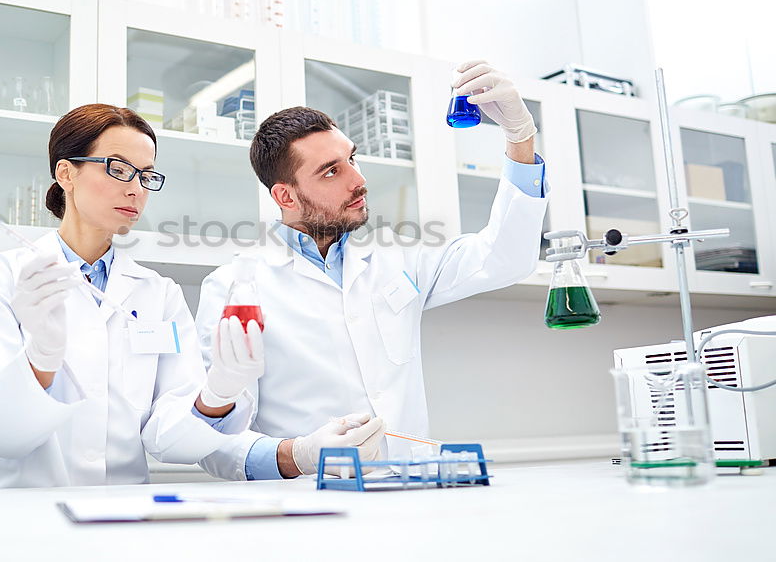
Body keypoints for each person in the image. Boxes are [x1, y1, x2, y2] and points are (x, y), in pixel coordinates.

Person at [196, 61, 549, 480]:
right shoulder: (235, 286)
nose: (358, 179)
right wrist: (301, 453)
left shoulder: (398, 260)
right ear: (285, 196)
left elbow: (505, 258)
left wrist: (520, 137)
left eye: (352, 159)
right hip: (308, 510)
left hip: (409, 498)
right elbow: (215, 445)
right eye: (332, 171)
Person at [0, 104, 261, 488]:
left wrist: (219, 392)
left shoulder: (159, 293)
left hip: (122, 520)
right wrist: (40, 362)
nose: (135, 188)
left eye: (146, 176)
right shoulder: (1, 276)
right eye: (118, 168)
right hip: (23, 521)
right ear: (66, 172)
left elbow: (169, 442)